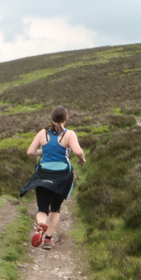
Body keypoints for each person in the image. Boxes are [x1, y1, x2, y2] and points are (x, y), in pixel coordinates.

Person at [19, 106, 86, 250]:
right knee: (56, 208)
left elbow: (30, 152)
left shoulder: (43, 133)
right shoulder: (69, 134)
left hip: (43, 174)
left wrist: (44, 151)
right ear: (66, 118)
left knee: (42, 209)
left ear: (52, 118)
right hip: (62, 175)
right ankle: (48, 239)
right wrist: (82, 159)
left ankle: (41, 225)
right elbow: (77, 151)